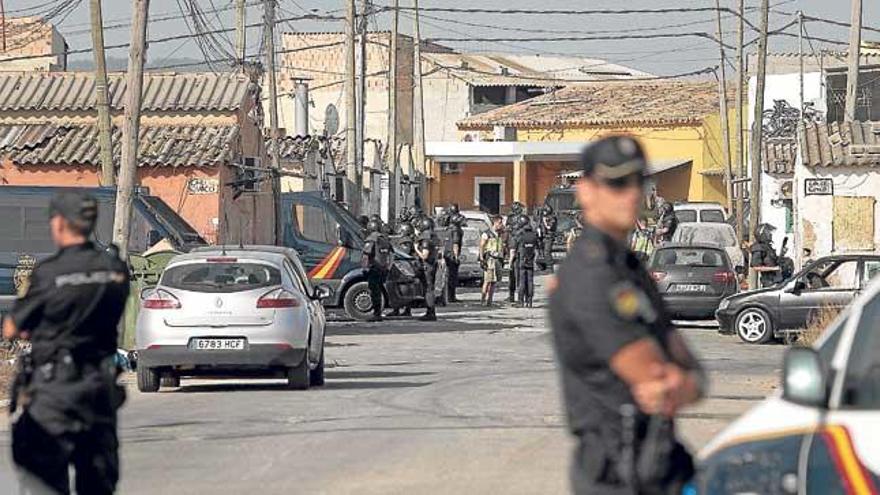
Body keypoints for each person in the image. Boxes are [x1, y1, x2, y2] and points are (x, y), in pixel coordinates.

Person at [549, 136, 705, 495]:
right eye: (617, 182)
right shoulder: (590, 275)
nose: (631, 193)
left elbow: (693, 374)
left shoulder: (628, 267)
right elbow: (656, 374)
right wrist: (677, 376)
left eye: (638, 181)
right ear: (586, 191)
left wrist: (682, 379)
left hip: (660, 461)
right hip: (617, 470)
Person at [2, 191, 130, 495]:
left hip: (53, 391)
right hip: (99, 389)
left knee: (44, 481)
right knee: (98, 483)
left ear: (59, 224)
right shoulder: (115, 271)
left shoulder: (49, 273)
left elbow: (12, 328)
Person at [362, 219, 393, 322]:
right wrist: (388, 267)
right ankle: (378, 312)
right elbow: (391, 254)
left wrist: (364, 268)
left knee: (374, 291)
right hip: (383, 268)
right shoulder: (384, 238)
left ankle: (376, 313)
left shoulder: (371, 239)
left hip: (374, 268)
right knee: (379, 290)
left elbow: (366, 255)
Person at [388, 222, 416, 317]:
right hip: (401, 265)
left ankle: (405, 310)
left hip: (404, 266)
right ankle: (397, 309)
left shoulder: (406, 241)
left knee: (403, 288)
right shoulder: (404, 239)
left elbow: (404, 252)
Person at [415, 217, 439, 321]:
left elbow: (425, 255)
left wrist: (416, 249)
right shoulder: (433, 236)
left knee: (428, 290)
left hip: (427, 266)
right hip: (432, 265)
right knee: (430, 289)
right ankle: (430, 312)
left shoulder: (425, 238)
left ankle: (430, 313)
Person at [479, 216, 505, 306]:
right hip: (489, 259)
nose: (501, 225)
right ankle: (483, 300)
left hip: (497, 260)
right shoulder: (487, 234)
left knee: (494, 281)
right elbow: (482, 246)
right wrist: (482, 259)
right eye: (500, 223)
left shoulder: (500, 234)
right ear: (495, 223)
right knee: (487, 281)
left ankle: (489, 301)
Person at [514, 215, 539, 307]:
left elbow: (515, 247)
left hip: (522, 260)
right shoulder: (534, 235)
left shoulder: (520, 235)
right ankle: (530, 300)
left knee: (522, 281)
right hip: (531, 260)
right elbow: (538, 248)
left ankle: (521, 301)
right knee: (530, 281)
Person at [750, 223, 781, 288]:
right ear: (763, 234)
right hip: (769, 281)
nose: (770, 234)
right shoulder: (758, 247)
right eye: (768, 233)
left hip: (776, 279)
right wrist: (773, 268)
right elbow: (756, 267)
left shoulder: (768, 247)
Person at [444, 213, 465, 303]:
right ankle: (451, 297)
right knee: (452, 277)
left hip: (447, 255)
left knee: (449, 276)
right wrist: (456, 256)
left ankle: (449, 296)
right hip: (452, 256)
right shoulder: (456, 230)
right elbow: (455, 244)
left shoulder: (448, 229)